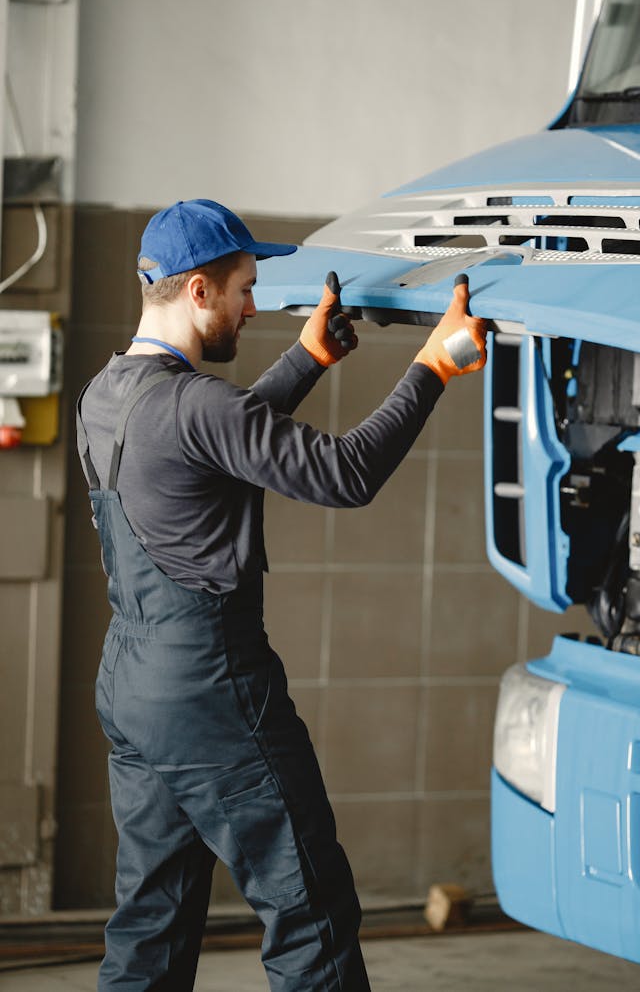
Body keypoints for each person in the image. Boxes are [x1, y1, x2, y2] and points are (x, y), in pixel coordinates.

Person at [76, 198, 487, 992]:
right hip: (212, 694)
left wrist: (306, 360)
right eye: (241, 289)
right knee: (309, 912)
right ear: (198, 291)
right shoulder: (196, 403)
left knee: (149, 925)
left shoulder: (111, 390)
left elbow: (211, 440)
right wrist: (433, 367)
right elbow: (345, 475)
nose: (253, 306)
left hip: (131, 689)